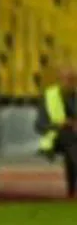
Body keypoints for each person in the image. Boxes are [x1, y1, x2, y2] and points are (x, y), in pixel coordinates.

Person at [35, 66, 77, 198]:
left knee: (72, 144)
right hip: (55, 138)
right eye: (67, 79)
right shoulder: (50, 96)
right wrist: (59, 124)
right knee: (70, 138)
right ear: (60, 80)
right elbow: (39, 125)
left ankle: (72, 191)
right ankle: (72, 190)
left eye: (73, 79)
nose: (70, 83)